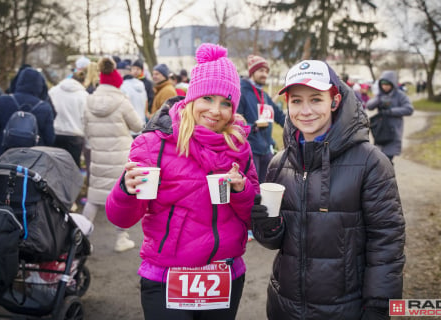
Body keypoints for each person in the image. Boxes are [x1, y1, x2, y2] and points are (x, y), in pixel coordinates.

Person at [105, 43, 259, 320]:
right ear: (191, 98)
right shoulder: (153, 144)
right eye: (208, 99)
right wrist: (126, 190)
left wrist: (242, 190)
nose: (216, 111)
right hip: (166, 277)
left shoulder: (238, 146)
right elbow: (122, 219)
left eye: (226, 103)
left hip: (224, 275)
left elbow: (254, 217)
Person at [251, 60, 405, 320]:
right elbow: (273, 242)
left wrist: (379, 306)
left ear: (334, 101)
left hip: (346, 308)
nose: (306, 110)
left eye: (316, 99)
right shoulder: (279, 163)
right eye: (297, 101)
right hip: (284, 306)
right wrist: (267, 224)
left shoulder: (370, 162)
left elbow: (387, 241)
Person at [82, 56, 143, 252]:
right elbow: (137, 125)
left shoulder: (89, 100)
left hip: (98, 154)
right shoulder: (121, 101)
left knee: (94, 197)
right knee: (123, 197)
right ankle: (121, 238)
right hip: (120, 155)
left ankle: (80, 236)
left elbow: (86, 128)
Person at [237, 54, 286, 183]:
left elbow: (279, 116)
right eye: (260, 71)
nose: (264, 74)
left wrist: (295, 125)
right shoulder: (242, 93)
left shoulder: (265, 96)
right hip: (250, 150)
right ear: (252, 72)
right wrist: (253, 127)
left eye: (266, 71)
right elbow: (235, 121)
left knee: (267, 185)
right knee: (253, 188)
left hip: (266, 149)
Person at [0, 67, 56, 160]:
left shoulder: (2, 101)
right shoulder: (44, 107)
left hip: (3, 156)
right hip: (32, 159)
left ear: (19, 82)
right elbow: (50, 139)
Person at [366, 70, 414, 163]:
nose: (385, 86)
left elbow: (409, 109)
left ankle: (388, 175)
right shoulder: (380, 95)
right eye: (383, 84)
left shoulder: (400, 95)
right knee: (379, 159)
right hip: (380, 131)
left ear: (393, 84)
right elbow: (369, 106)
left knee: (387, 159)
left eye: (388, 84)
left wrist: (391, 111)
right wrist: (379, 100)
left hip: (393, 131)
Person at [48, 70, 89, 168]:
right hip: (75, 136)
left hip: (55, 134)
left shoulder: (53, 91)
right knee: (73, 168)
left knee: (55, 167)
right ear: (83, 82)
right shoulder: (84, 95)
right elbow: (86, 118)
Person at [118, 60, 147, 136]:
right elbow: (146, 103)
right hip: (141, 126)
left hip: (129, 129)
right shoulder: (141, 84)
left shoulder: (122, 86)